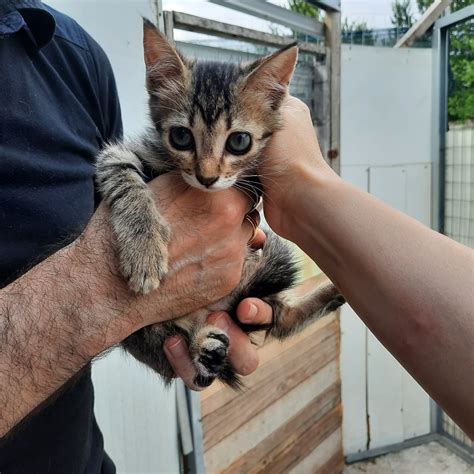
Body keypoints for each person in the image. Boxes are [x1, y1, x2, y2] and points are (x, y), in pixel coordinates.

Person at [0, 2, 264, 472]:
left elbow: (130, 309)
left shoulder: (69, 55)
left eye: (235, 143)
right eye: (183, 138)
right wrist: (110, 276)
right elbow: (119, 176)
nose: (207, 170)